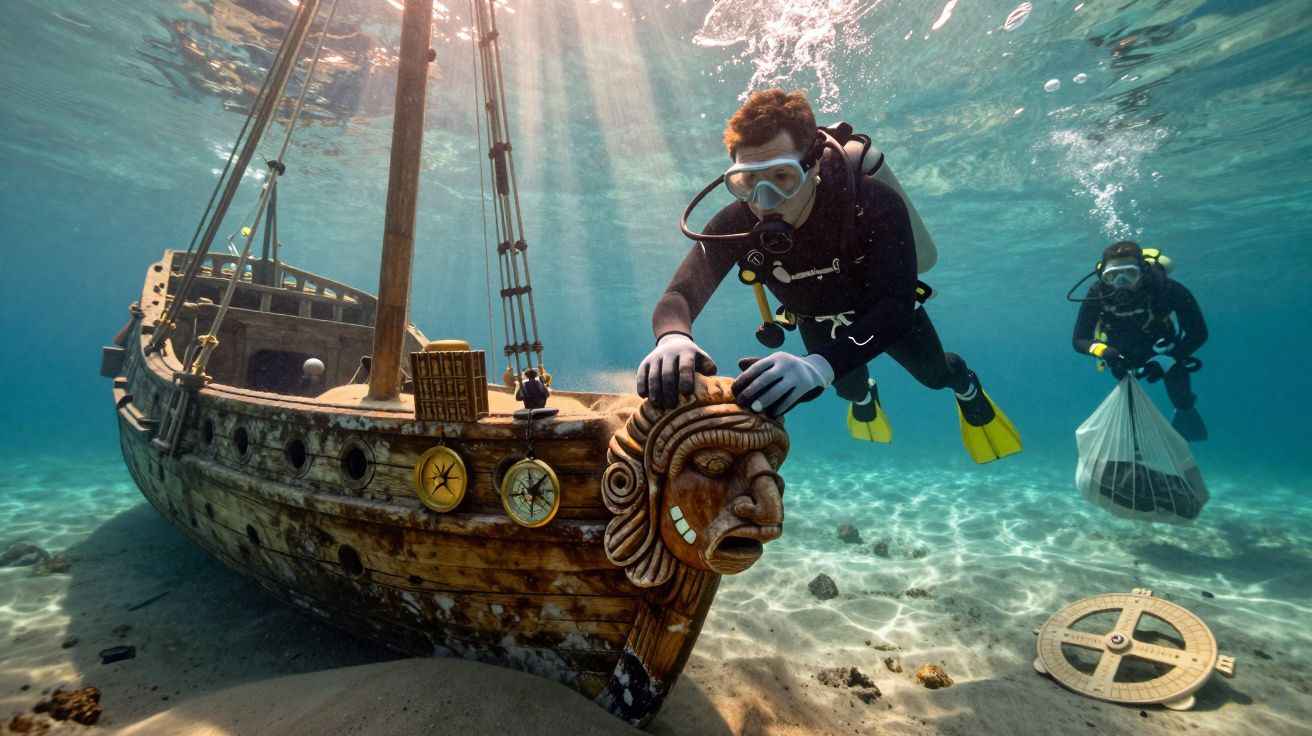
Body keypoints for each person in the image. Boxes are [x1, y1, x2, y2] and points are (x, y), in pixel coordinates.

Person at [634, 89, 1021, 463]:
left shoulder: (872, 203)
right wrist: (673, 337)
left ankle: (966, 386)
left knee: (934, 376)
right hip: (815, 321)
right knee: (848, 391)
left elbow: (896, 306)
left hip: (882, 316)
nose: (763, 200)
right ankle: (864, 394)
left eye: (782, 177)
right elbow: (680, 294)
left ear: (814, 164)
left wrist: (820, 364)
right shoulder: (736, 222)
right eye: (748, 181)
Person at [1071, 240, 1208, 440]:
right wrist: (1105, 352)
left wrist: (1168, 359)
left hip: (1163, 349)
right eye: (1112, 276)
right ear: (1102, 277)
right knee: (1128, 400)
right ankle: (1135, 446)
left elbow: (1198, 333)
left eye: (1129, 274)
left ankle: (1185, 412)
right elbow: (1080, 339)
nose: (1121, 282)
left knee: (1181, 398)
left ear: (1142, 271)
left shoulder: (1166, 289)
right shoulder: (1097, 294)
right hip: (1121, 352)